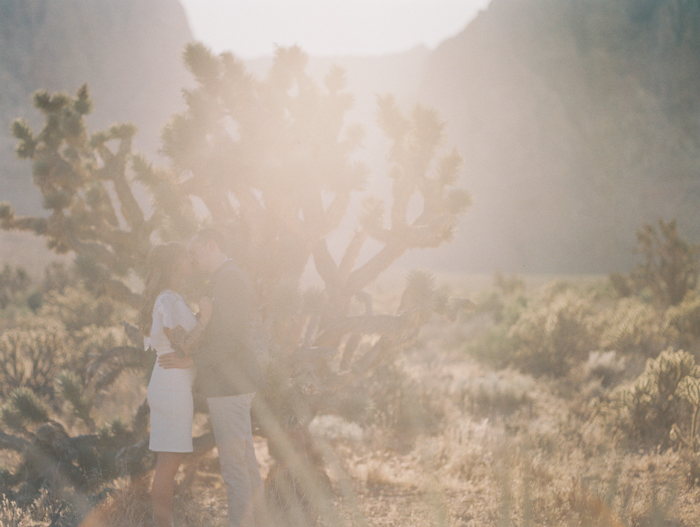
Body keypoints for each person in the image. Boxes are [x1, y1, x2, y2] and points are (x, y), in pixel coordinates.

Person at [159, 228, 266, 527]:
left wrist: (192, 360)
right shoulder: (225, 277)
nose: (191, 259)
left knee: (235, 470)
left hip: (229, 385)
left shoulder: (229, 278)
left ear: (212, 245)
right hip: (234, 383)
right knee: (245, 464)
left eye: (194, 253)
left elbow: (231, 337)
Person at [138, 242, 211, 527]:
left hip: (169, 384)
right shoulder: (167, 299)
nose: (191, 258)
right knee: (168, 465)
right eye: (185, 256)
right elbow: (182, 347)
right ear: (172, 265)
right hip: (172, 387)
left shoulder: (169, 298)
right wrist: (205, 318)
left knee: (167, 463)